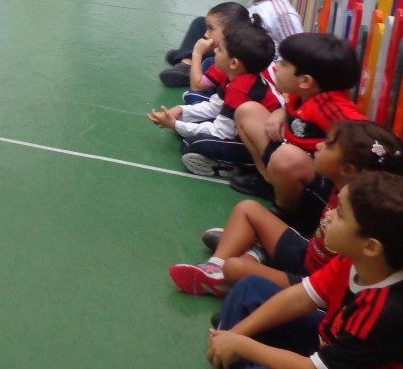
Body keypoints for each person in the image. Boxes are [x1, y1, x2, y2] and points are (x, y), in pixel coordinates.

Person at [169, 121, 403, 297]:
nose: (319, 145)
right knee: (247, 208)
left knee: (236, 267)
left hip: (310, 281)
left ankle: (234, 269)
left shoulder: (363, 218)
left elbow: (332, 283)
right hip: (306, 254)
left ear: (348, 169)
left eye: (329, 145)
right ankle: (216, 266)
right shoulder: (340, 188)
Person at [207, 171, 403, 369]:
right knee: (250, 287)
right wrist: (235, 334)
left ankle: (230, 345)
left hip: (328, 362)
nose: (329, 214)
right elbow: (300, 297)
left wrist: (242, 346)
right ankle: (228, 342)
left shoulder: (382, 311)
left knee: (243, 340)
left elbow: (314, 368)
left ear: (371, 247)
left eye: (341, 214)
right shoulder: (353, 258)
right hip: (329, 343)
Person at [232, 33, 365, 227]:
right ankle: (270, 182)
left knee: (286, 157)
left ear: (305, 81)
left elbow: (364, 138)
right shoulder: (300, 94)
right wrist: (281, 113)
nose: (276, 67)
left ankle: (288, 214)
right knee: (247, 111)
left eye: (284, 64)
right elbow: (292, 110)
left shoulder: (330, 106)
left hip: (316, 180)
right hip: (288, 159)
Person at [148, 20, 281, 177]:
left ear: (233, 63)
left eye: (220, 49)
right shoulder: (235, 76)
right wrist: (180, 111)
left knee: (192, 144)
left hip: (262, 148)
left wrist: (175, 125)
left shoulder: (241, 87)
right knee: (191, 114)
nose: (215, 51)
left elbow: (221, 132)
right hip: (234, 128)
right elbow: (214, 107)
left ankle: (238, 166)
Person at [160, 0, 301, 88]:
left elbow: (295, 50)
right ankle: (187, 60)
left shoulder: (282, 14)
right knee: (201, 23)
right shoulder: (260, 0)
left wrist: (279, 73)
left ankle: (190, 63)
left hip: (254, 60)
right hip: (241, 46)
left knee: (211, 58)